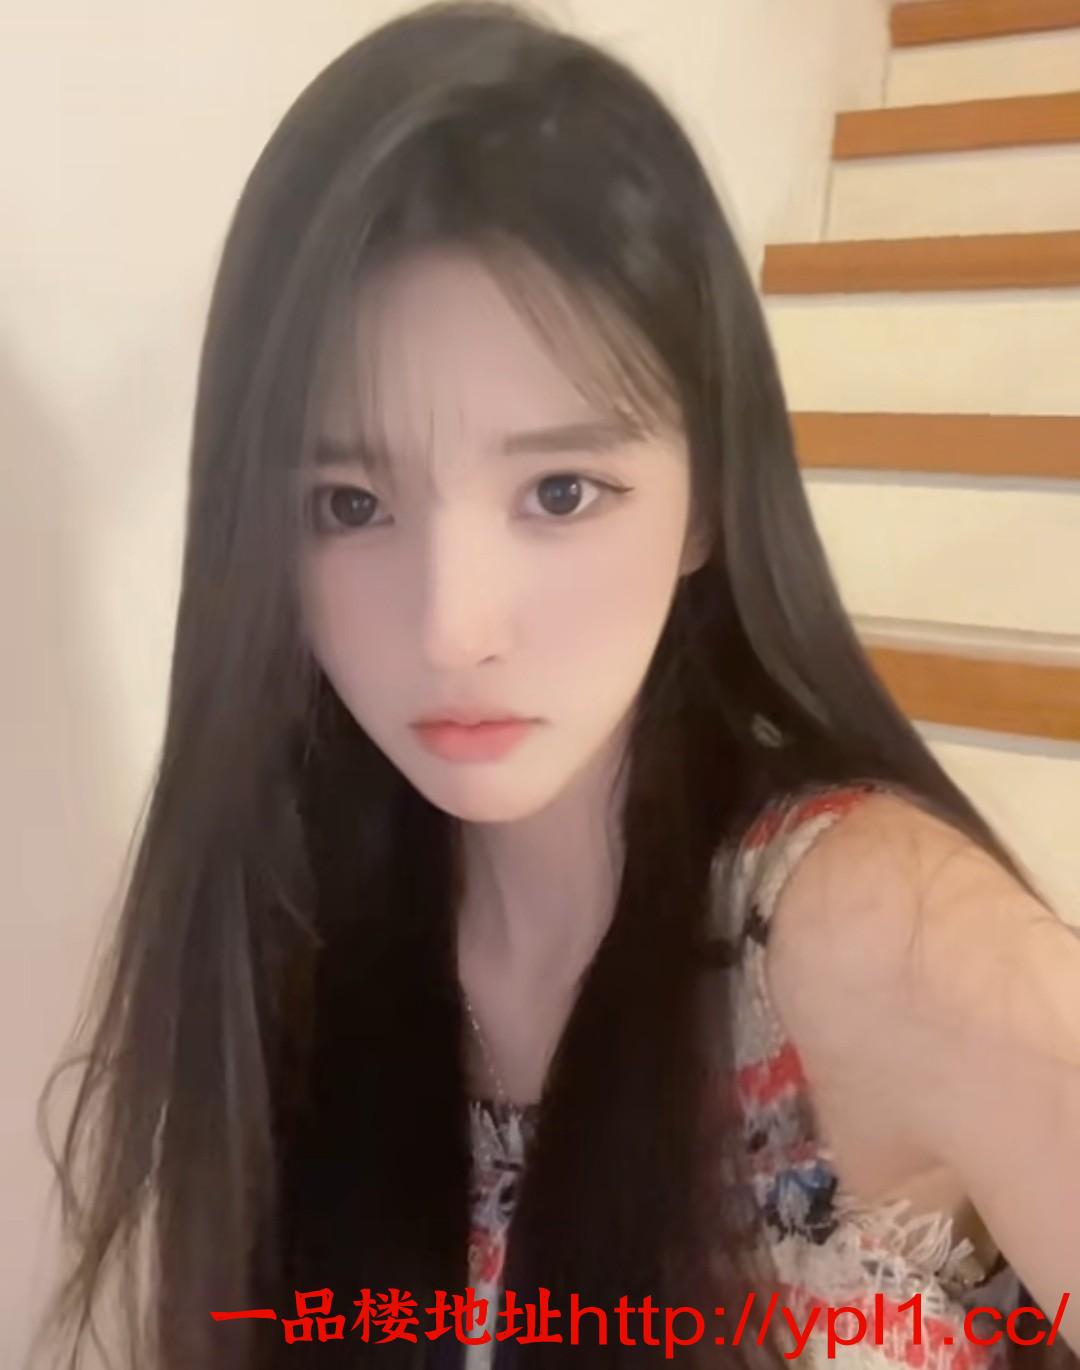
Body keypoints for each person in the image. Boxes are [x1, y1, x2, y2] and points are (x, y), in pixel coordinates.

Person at [36, 3, 1080, 1369]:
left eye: (562, 491)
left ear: (708, 501)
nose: (451, 627)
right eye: (350, 503)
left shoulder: (870, 940)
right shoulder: (299, 919)